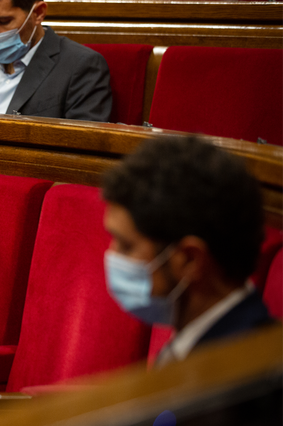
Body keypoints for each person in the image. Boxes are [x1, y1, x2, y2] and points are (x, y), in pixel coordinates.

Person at [101, 136, 277, 368]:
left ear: (190, 260)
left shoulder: (234, 382)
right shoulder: (206, 340)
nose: (111, 255)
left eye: (126, 245)